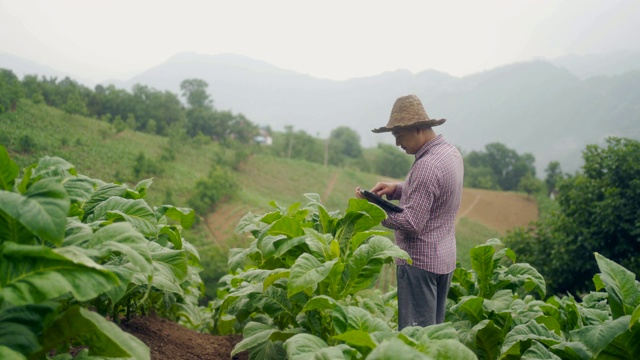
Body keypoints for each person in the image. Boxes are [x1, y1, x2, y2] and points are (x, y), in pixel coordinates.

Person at [355, 94, 464, 329]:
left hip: (419, 264)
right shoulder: (449, 153)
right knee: (432, 334)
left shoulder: (426, 165)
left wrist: (375, 209)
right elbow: (433, 193)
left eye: (398, 135)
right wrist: (396, 189)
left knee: (416, 339)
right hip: (443, 258)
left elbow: (411, 223)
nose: (397, 143)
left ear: (416, 129)